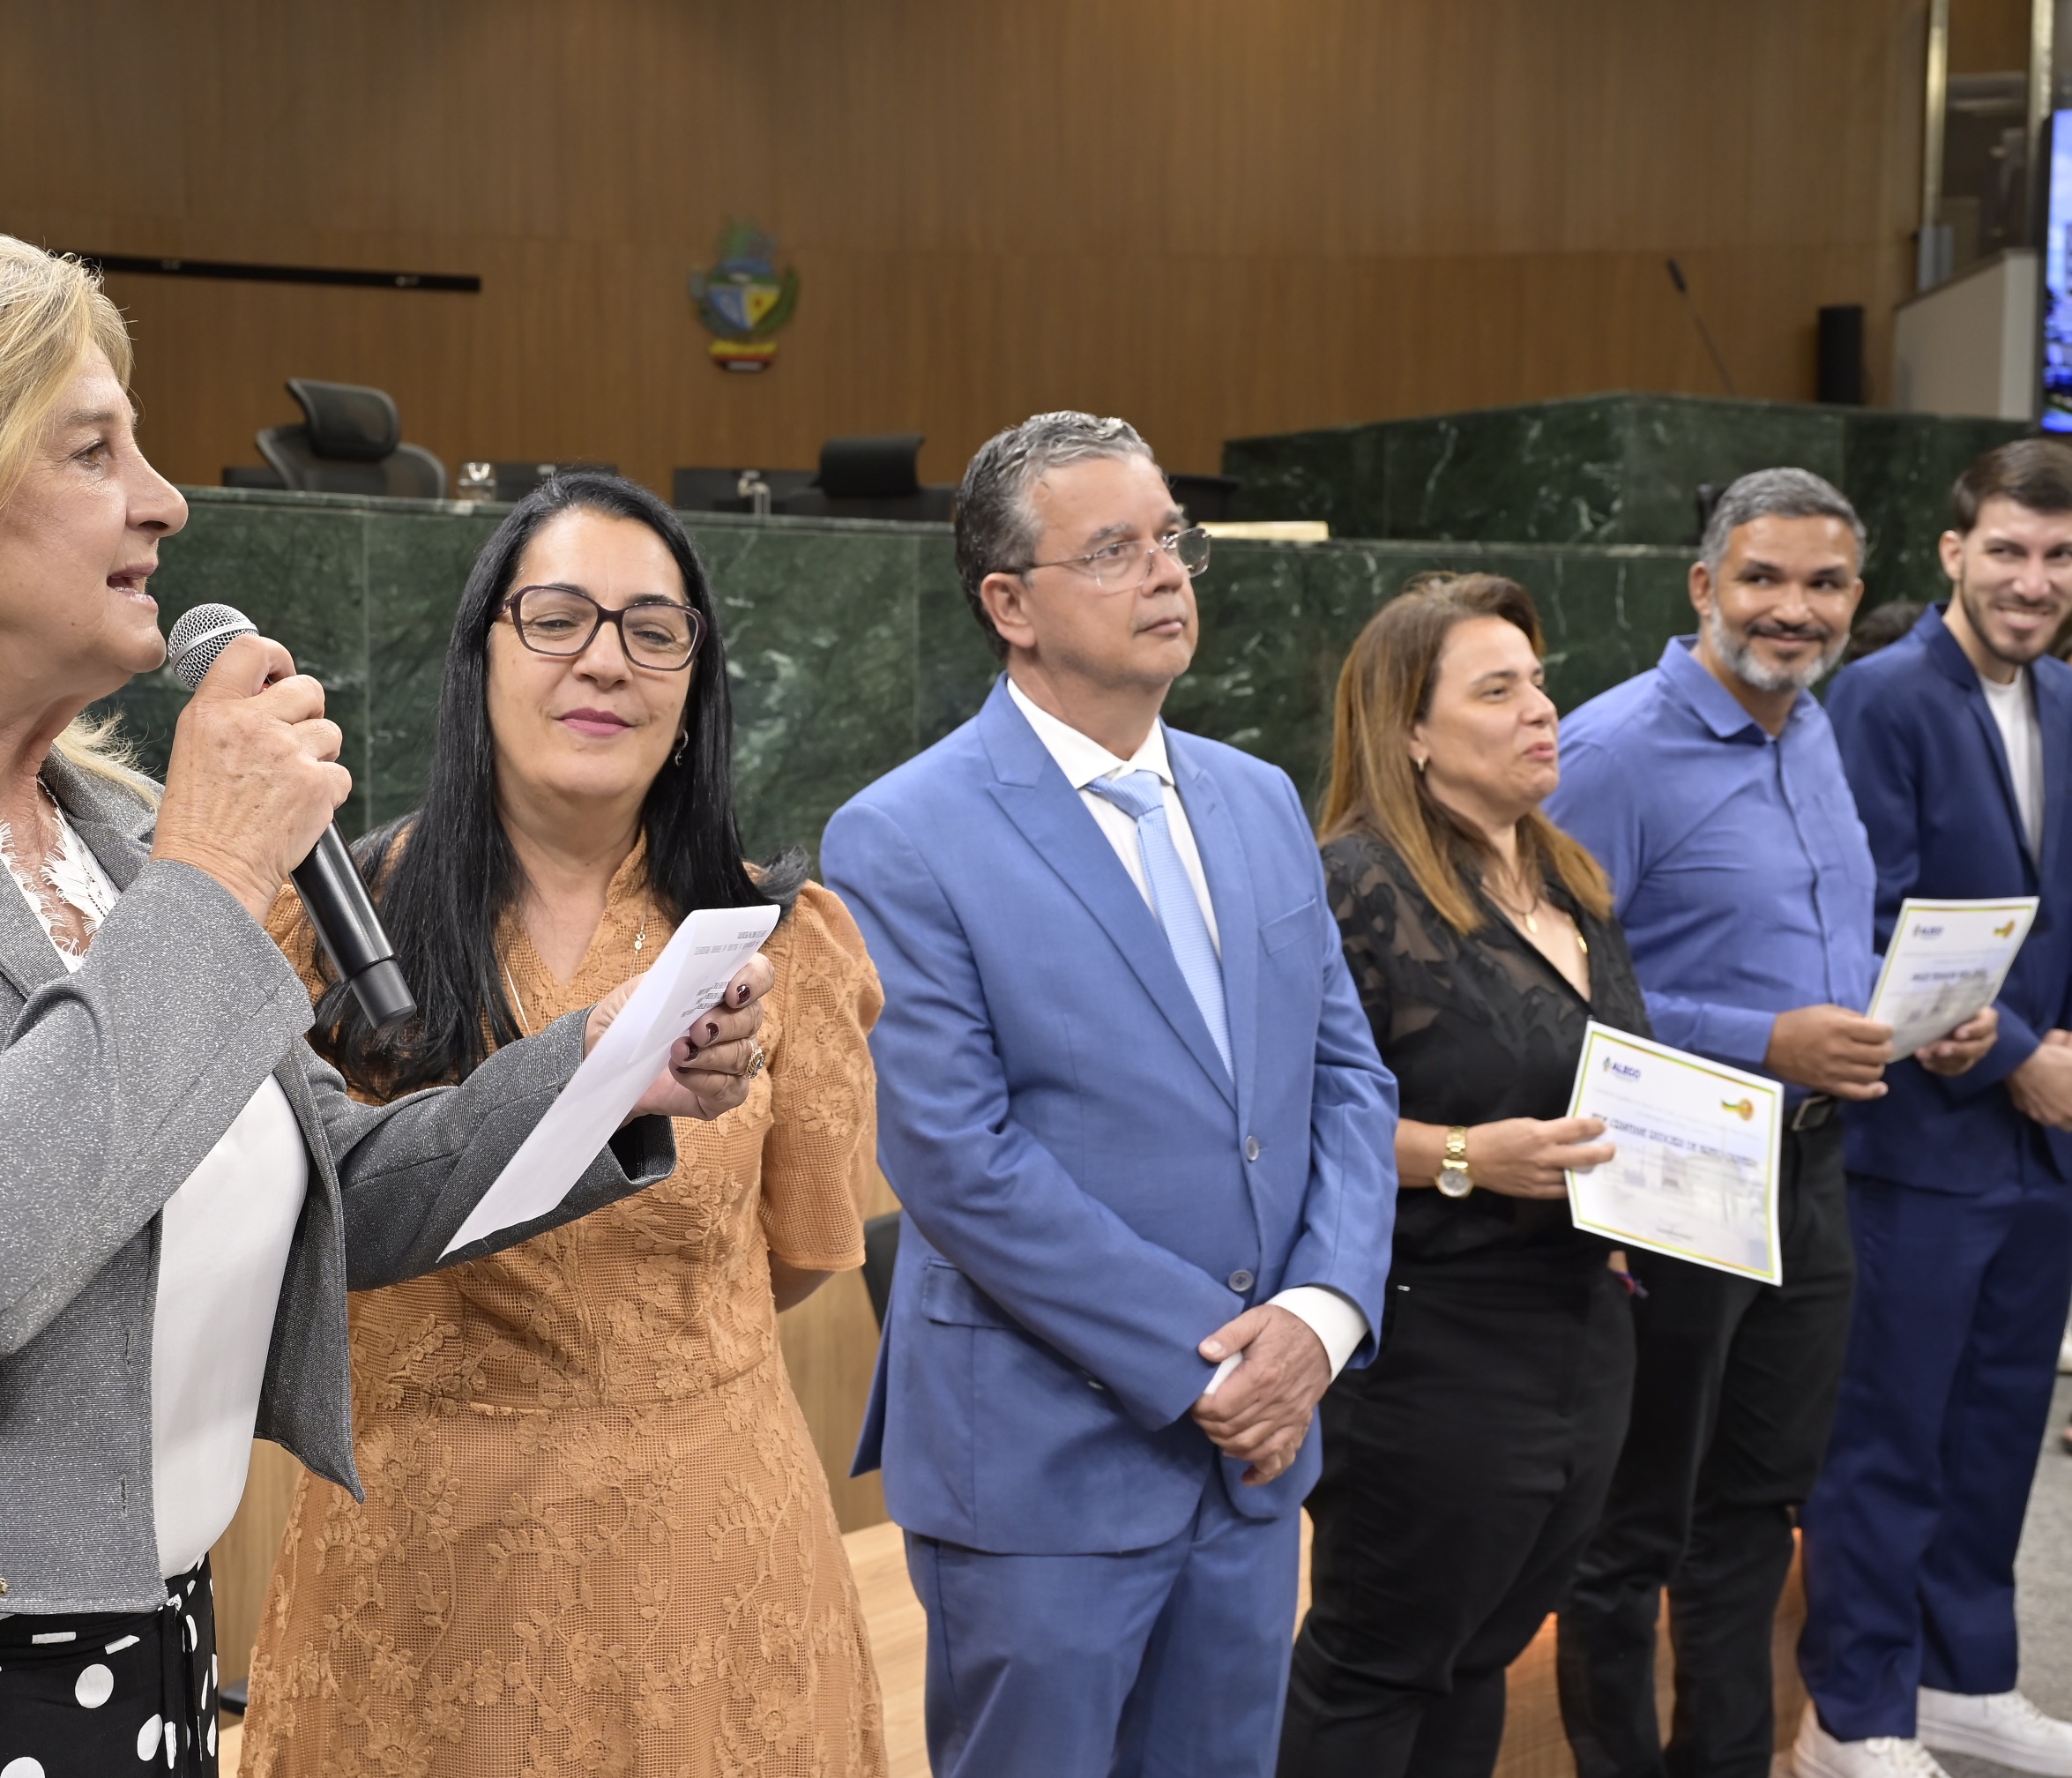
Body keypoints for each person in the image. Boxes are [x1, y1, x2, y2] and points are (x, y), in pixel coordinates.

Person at [0, 235, 772, 1778]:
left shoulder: (111, 843)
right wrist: (217, 874)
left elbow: (333, 1181)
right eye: (93, 451)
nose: (167, 502)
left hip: (133, 1662)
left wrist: (606, 1068)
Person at [237, 473, 887, 1776]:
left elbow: (805, 1250)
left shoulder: (778, 941)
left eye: (654, 630)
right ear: (480, 654)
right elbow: (276, 1233)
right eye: (557, 619)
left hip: (707, 1560)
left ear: (695, 686)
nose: (606, 661)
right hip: (418, 1567)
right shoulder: (332, 923)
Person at [821, 411, 1398, 1778]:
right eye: (1114, 551)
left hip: (1258, 1454)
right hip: (1047, 1464)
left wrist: (1320, 1318)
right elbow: (957, 1160)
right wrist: (1219, 1363)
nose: (1166, 574)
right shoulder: (902, 833)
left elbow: (1347, 1079)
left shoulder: (1260, 800)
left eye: (1173, 542)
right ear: (1009, 605)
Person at [1547, 467, 1997, 1778]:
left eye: (1824, 584)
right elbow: (1553, 989)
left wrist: (1910, 1019)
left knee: (1753, 1510)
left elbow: (1810, 948)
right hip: (1673, 1169)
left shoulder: (1813, 729)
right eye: (1763, 578)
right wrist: (1765, 1040)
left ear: (1858, 598)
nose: (1793, 609)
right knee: (1634, 1529)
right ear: (1704, 586)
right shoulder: (1613, 751)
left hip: (1808, 1169)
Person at [1278, 573, 1643, 1778]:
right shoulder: (1353, 885)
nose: (1542, 709)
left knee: (1483, 1653)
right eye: (1498, 690)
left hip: (1584, 1325)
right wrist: (1463, 1158)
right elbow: (1287, 1118)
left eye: (1540, 682)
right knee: (1380, 1662)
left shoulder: (1569, 878)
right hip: (1432, 1340)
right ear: (1412, 733)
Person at [1793, 439, 2072, 1778]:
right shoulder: (1883, 697)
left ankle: (1965, 1679)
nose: (2033, 580)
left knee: (2001, 1427)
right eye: (2007, 550)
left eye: (2059, 556)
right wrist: (2018, 1052)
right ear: (1955, 553)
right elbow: (1871, 915)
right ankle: (1855, 1713)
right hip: (1921, 1135)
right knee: (1889, 1434)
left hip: (2044, 1145)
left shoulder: (2064, 698)